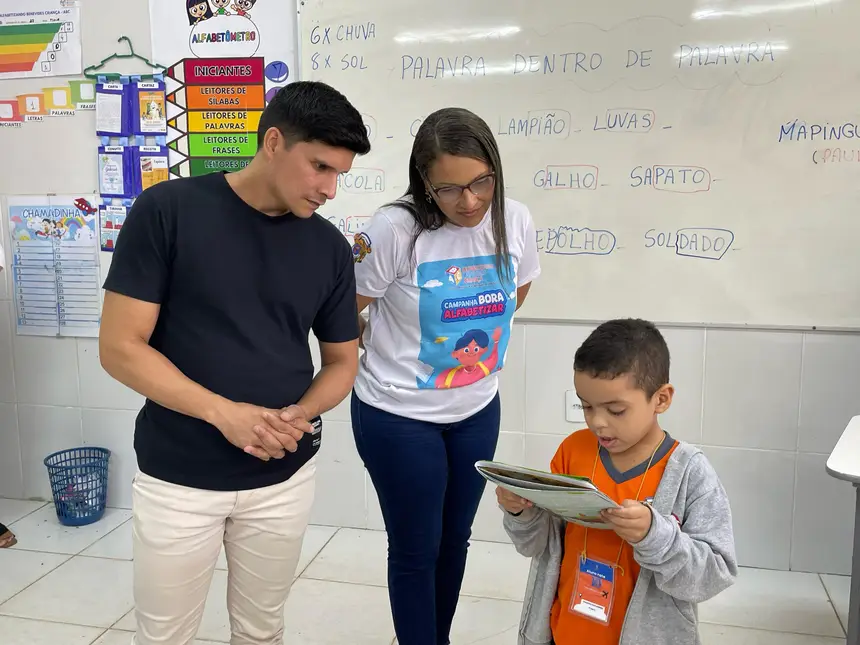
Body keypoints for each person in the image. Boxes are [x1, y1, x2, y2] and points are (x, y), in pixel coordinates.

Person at [99, 81, 370, 645]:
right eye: (320, 167)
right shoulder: (168, 211)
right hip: (179, 476)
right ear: (273, 143)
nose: (329, 189)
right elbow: (120, 347)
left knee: (261, 630)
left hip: (282, 475)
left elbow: (342, 361)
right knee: (164, 635)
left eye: (339, 174)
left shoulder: (327, 247)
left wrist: (298, 415)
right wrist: (225, 414)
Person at [351, 107, 541, 645]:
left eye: (482, 182)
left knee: (455, 539)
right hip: (397, 413)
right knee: (417, 547)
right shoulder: (395, 228)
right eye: (450, 189)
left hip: (476, 409)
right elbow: (343, 309)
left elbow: (518, 288)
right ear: (424, 182)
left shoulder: (514, 219)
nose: (471, 201)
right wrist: (377, 341)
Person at [498, 319, 737, 645]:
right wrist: (522, 513)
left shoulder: (689, 473)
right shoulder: (573, 451)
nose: (598, 422)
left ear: (661, 399)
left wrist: (655, 536)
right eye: (586, 406)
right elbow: (537, 546)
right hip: (561, 633)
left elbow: (713, 575)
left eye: (616, 410)